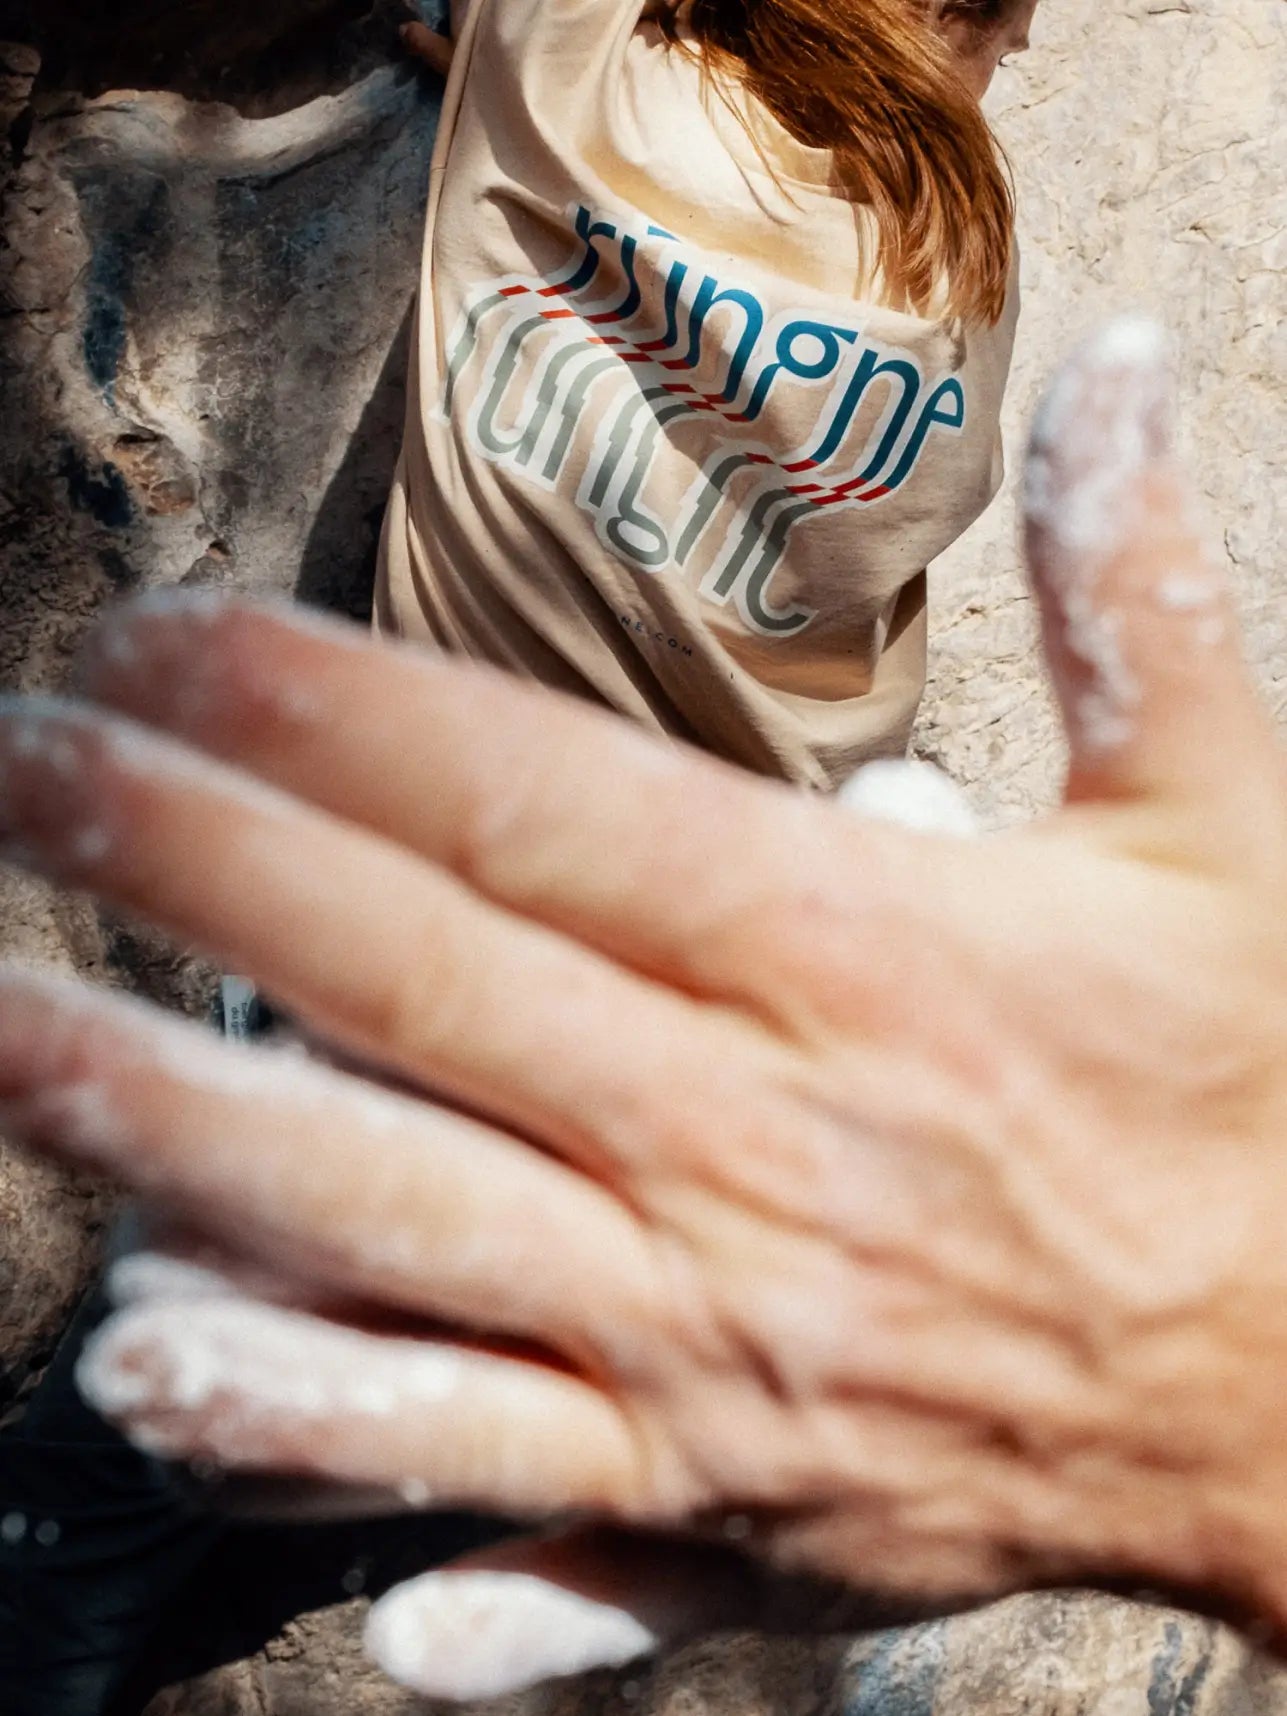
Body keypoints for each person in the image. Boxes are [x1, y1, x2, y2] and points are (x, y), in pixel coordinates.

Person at [0, 317, 1286, 1705]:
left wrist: (1225, 1408)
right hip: (708, 956)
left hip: (527, 937)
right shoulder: (953, 288)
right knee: (287, 1465)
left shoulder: (616, 176)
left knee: (127, 1484)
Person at [0, 5, 1042, 1710]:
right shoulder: (954, 251)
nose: (1019, 48)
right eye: (995, 19)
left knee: (106, 1490)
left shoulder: (566, 63)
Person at [382, 0, 1037, 790]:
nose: (985, 90)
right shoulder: (964, 263)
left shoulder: (558, 77)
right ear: (932, 14)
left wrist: (495, 89)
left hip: (476, 799)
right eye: (1000, 53)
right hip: (792, 829)